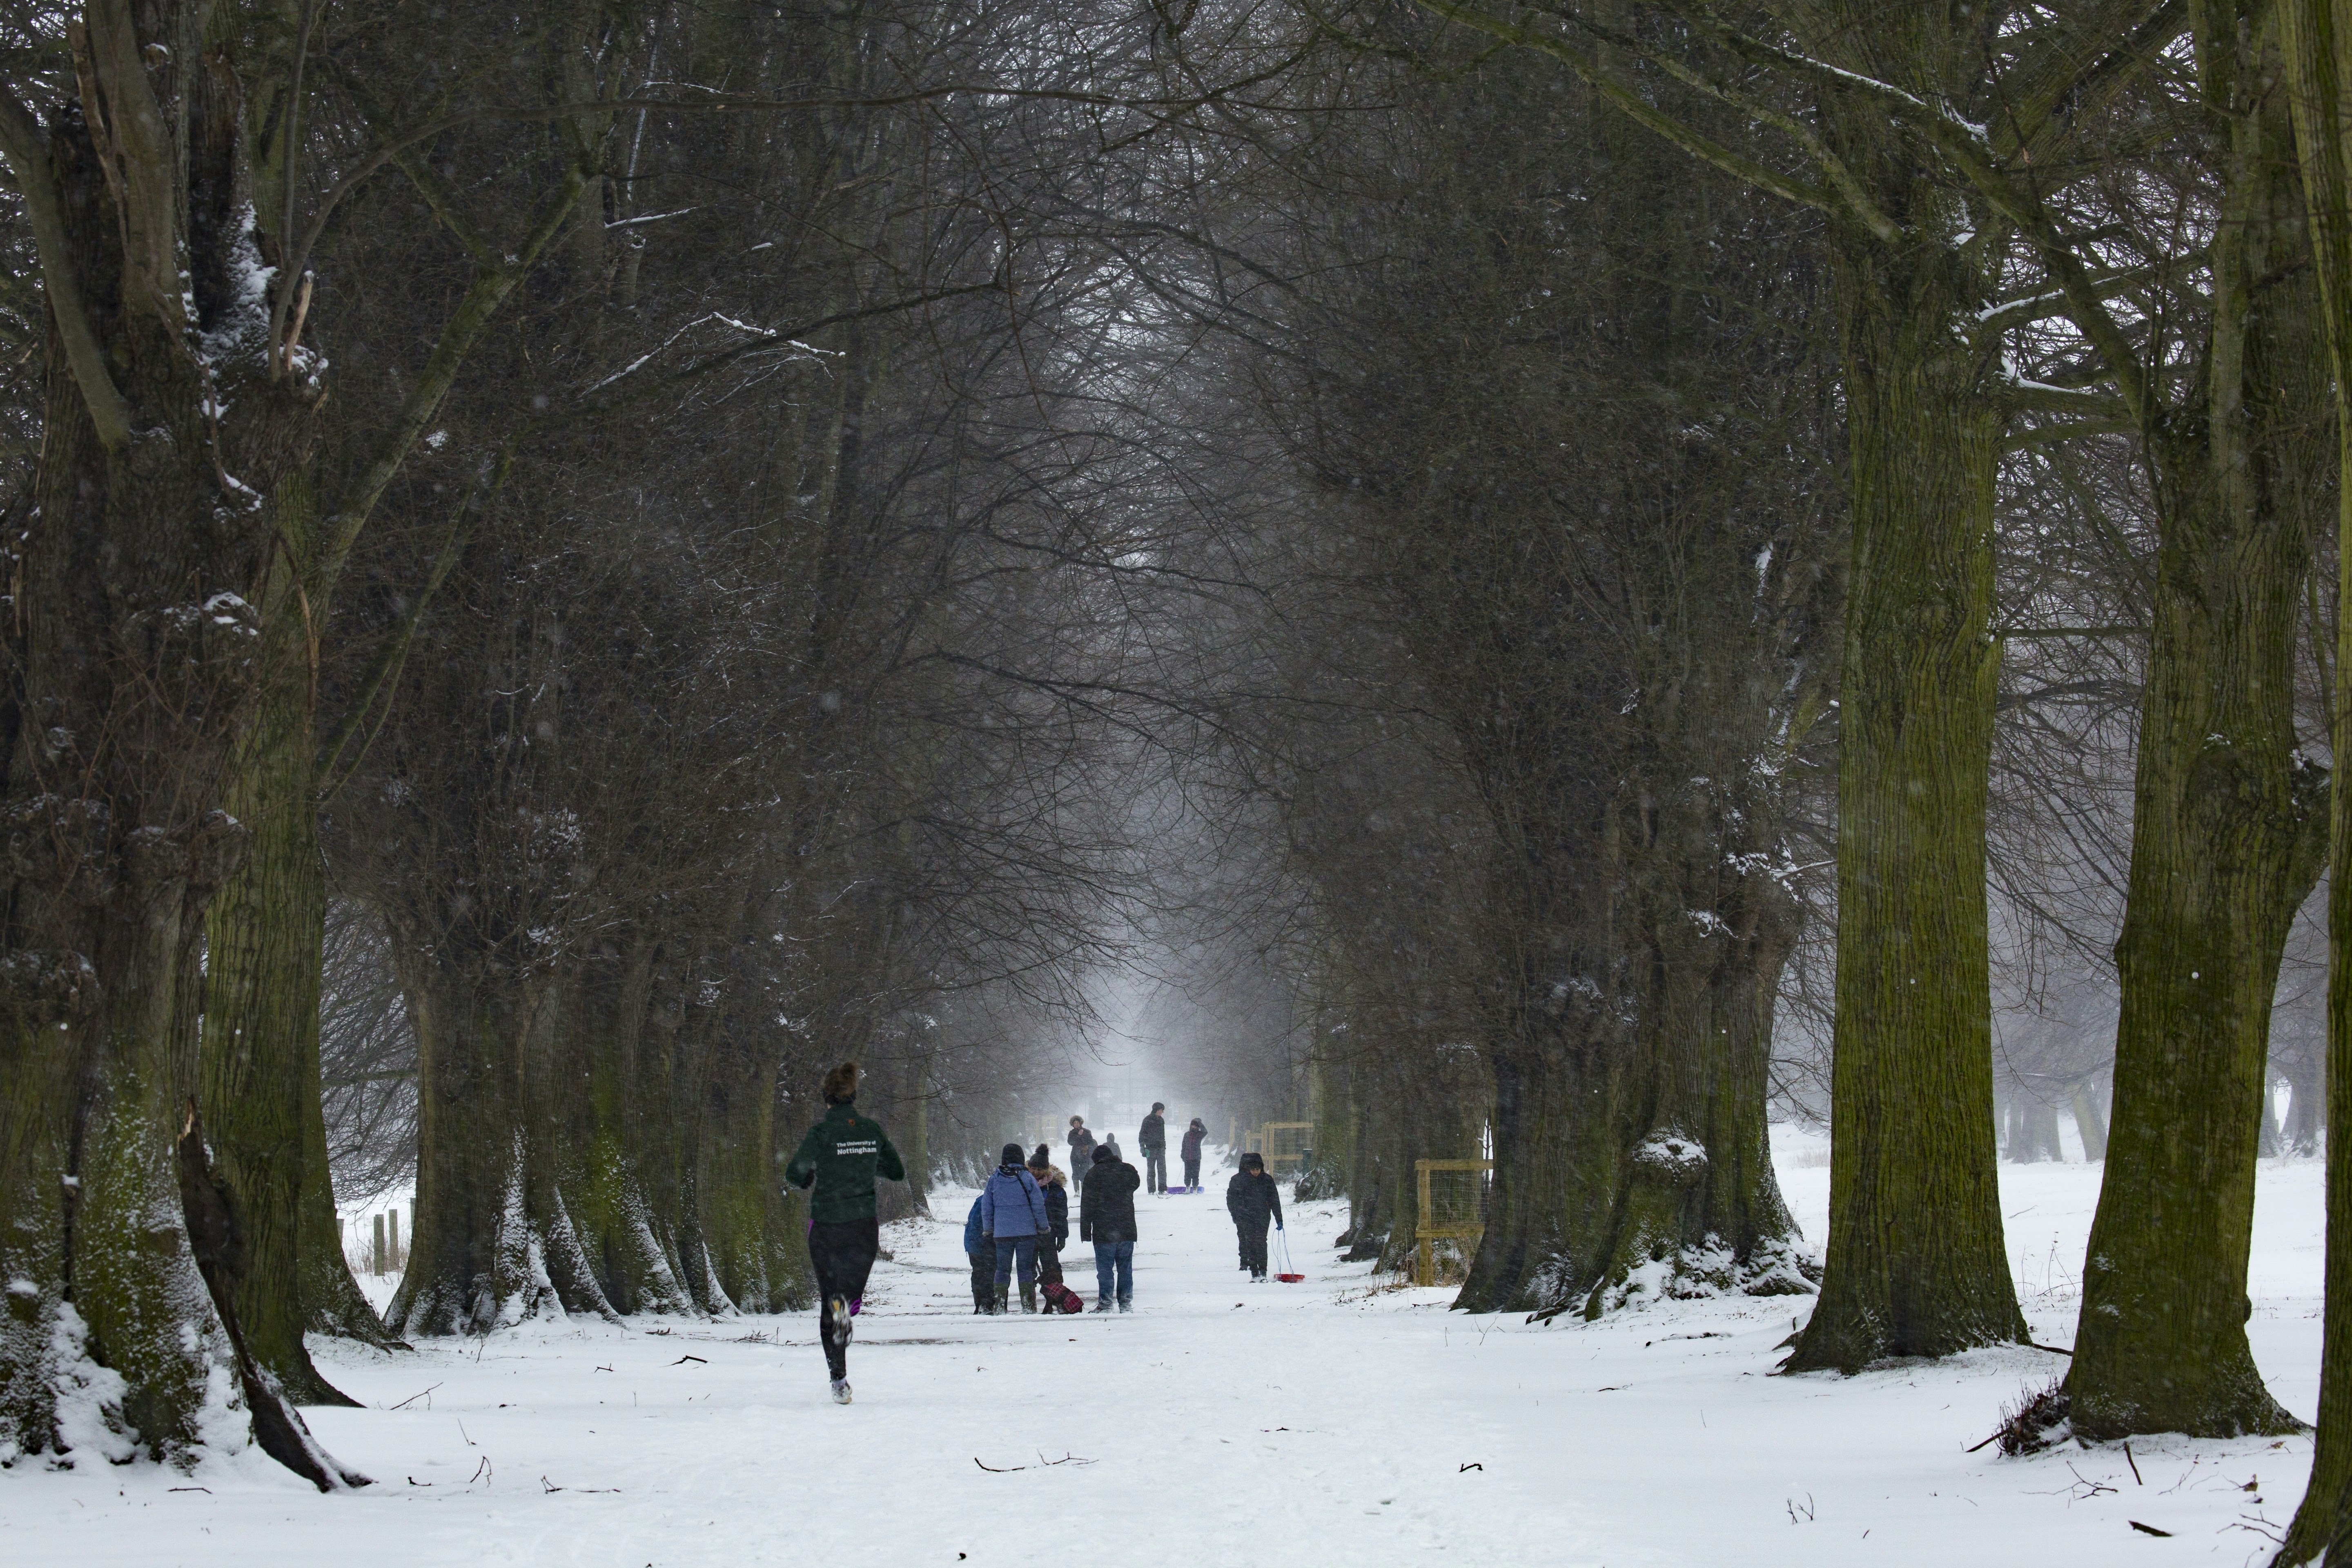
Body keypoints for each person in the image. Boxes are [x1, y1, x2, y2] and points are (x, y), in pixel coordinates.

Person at [783, 1062, 906, 1403]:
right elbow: (896, 1172)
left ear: (827, 1099)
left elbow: (794, 1173)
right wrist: (865, 1165)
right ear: (854, 1096)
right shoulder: (872, 1130)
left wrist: (810, 1178)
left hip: (825, 1226)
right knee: (849, 1297)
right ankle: (845, 1308)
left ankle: (839, 1380)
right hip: (862, 1228)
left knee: (830, 1299)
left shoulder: (820, 1134)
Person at [980, 1142, 1051, 1313]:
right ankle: (1028, 1306)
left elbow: (986, 1206)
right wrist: (1043, 1227)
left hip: (1002, 1233)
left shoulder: (995, 1179)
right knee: (1025, 1269)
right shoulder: (1027, 1178)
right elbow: (1038, 1205)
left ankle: (999, 1305)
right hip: (1026, 1232)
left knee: (1002, 1269)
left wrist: (989, 1229)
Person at [1079, 1141, 1142, 1311]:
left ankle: (1106, 1303)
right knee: (1125, 1269)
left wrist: (1086, 1232)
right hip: (1127, 1229)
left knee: (1105, 1270)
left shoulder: (1093, 1174)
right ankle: (1126, 1303)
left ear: (1097, 1160)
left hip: (1103, 1230)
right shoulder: (1128, 1170)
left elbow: (1087, 1205)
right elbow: (1136, 1183)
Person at [1226, 1151, 1284, 1282]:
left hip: (1263, 1216)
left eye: (1258, 1169)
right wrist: (1235, 1215)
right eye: (1253, 1169)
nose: (1256, 1172)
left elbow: (1275, 1200)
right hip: (1245, 1217)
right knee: (1250, 1243)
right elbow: (1231, 1199)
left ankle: (1263, 1271)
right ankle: (1254, 1272)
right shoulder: (1238, 1180)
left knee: (1262, 1243)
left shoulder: (1267, 1180)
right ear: (1248, 1169)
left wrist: (1279, 1218)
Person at [1028, 1145, 1071, 1294]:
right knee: (1028, 1268)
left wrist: (1062, 1236)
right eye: (1033, 1169)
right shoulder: (1023, 1186)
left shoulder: (1056, 1189)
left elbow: (1061, 1214)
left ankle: (1055, 1298)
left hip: (1049, 1235)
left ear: (1046, 1170)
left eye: (1039, 1169)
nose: (1035, 1172)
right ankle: (1029, 1299)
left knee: (1052, 1269)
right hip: (1028, 1233)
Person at [962, 1192, 994, 1313]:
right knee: (986, 1272)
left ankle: (982, 1304)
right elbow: (977, 1225)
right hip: (981, 1243)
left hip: (976, 1243)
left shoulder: (983, 1200)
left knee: (980, 1273)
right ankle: (985, 1303)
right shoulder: (987, 1202)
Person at [1139, 1102, 1168, 1195]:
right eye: (1161, 1110)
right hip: (1150, 1148)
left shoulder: (1161, 1120)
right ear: (1156, 1110)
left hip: (1160, 1148)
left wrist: (1164, 1146)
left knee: (1162, 1170)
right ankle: (1151, 1190)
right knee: (1151, 1170)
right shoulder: (1147, 1120)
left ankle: (1162, 1189)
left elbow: (1162, 1135)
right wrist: (1142, 1147)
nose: (1162, 1112)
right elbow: (1142, 1134)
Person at [1067, 1115, 1097, 1189]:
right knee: (1076, 1173)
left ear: (1080, 1123)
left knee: (1085, 1173)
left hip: (1085, 1155)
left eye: (1078, 1123)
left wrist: (1086, 1146)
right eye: (1075, 1123)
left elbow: (1091, 1142)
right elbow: (1070, 1142)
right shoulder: (1072, 1133)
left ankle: (1084, 1189)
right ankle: (1077, 1191)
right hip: (1075, 1156)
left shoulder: (1087, 1132)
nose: (1076, 1124)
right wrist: (1078, 1136)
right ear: (1073, 1125)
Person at [1180, 1117, 1207, 1192]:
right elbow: (1184, 1145)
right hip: (1188, 1158)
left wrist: (1200, 1123)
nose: (1194, 1127)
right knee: (1187, 1174)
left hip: (1196, 1158)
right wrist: (1183, 1154)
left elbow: (1205, 1131)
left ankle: (1195, 1188)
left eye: (1196, 1126)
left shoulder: (1200, 1135)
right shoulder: (1187, 1135)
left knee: (1196, 1174)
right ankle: (1188, 1187)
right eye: (1193, 1125)